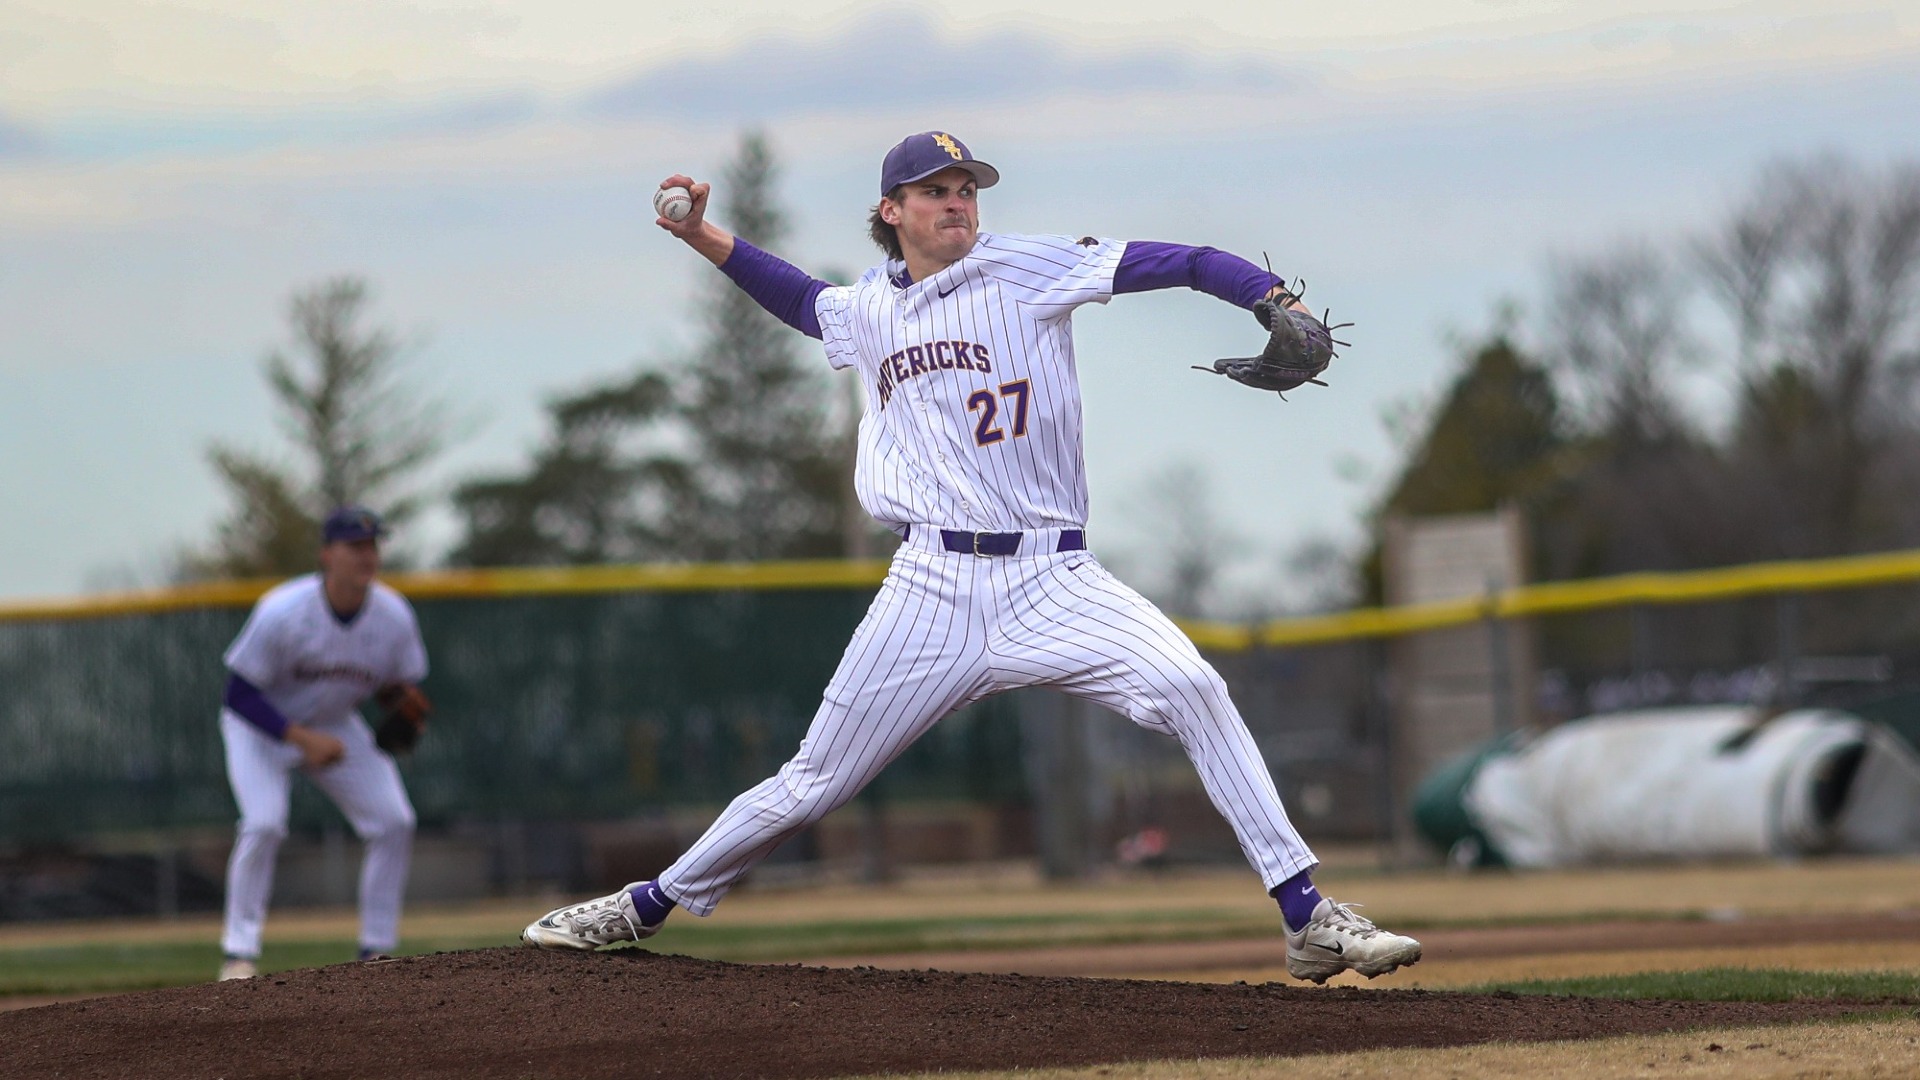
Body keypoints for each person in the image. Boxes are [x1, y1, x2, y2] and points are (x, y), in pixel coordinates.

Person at [522, 132, 1421, 982]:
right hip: (930, 587)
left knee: (1194, 688)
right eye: (935, 192)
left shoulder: (1031, 268)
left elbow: (1180, 260)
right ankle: (644, 905)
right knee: (811, 782)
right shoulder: (869, 309)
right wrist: (699, 234)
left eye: (966, 190)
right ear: (891, 210)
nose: (957, 203)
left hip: (1053, 577)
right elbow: (799, 299)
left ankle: (1306, 915)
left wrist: (1272, 296)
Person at [215, 506, 427, 981]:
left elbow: (394, 684)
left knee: (394, 821)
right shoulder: (283, 611)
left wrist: (401, 704)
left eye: (372, 546)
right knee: (264, 823)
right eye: (355, 546)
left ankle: (376, 949)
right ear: (327, 554)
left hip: (335, 724)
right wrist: (300, 738)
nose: (366, 555)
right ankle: (238, 953)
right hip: (260, 728)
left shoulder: (393, 616)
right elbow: (238, 694)